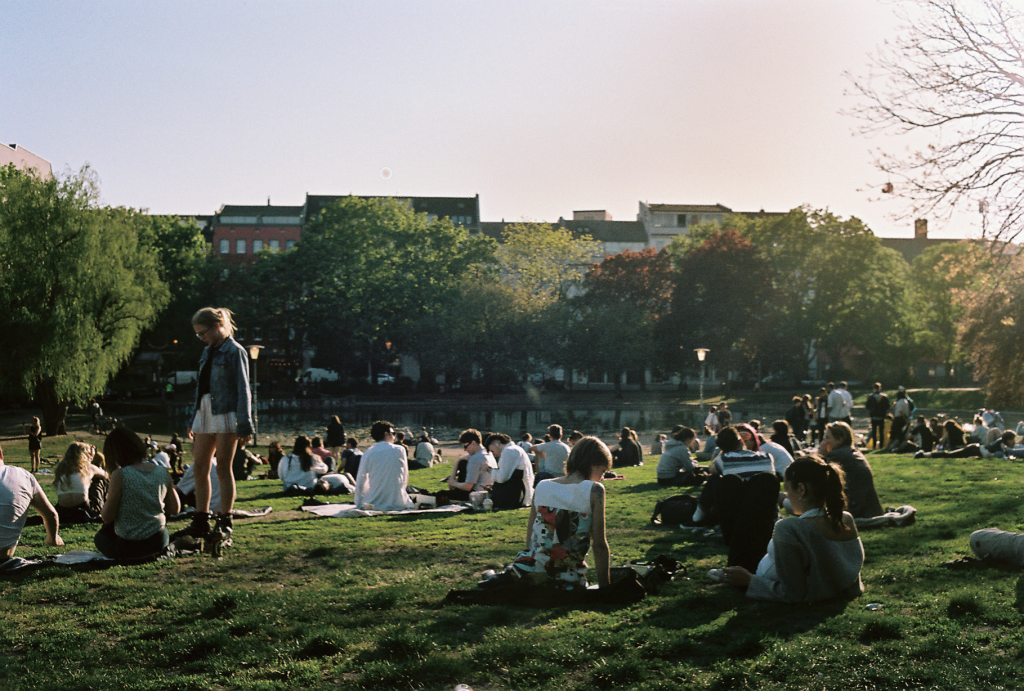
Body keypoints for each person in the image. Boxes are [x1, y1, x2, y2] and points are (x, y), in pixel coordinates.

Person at [720, 455, 865, 603]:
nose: (787, 495)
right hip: (775, 561)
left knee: (749, 487)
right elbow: (813, 513)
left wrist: (749, 580)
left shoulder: (789, 528)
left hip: (751, 569)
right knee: (762, 483)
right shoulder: (844, 519)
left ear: (801, 489)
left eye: (788, 490)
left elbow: (792, 593)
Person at [179, 307, 253, 542]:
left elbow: (244, 389)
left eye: (203, 333)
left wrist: (245, 424)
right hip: (205, 411)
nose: (201, 338)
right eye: (198, 334)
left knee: (223, 467)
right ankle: (201, 519)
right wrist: (193, 419)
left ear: (216, 327)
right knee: (199, 466)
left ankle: (225, 518)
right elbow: (200, 388)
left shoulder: (235, 351)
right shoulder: (206, 352)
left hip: (226, 413)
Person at [510, 437, 612, 588]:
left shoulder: (542, 486)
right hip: (568, 578)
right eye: (603, 471)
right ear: (593, 464)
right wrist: (605, 588)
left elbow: (531, 538)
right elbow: (599, 545)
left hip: (531, 572)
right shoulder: (593, 490)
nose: (602, 478)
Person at [95, 427, 180, 559]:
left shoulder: (120, 475)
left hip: (129, 546)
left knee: (100, 537)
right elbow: (175, 509)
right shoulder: (162, 472)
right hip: (159, 541)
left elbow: (107, 517)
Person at [0, 443, 63, 563]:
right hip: (3, 557)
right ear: (1, 454)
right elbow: (51, 515)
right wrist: (53, 539)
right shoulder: (23, 475)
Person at [819, 422, 884, 519]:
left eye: (827, 438)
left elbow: (816, 478)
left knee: (791, 503)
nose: (824, 441)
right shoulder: (850, 452)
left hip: (854, 510)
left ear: (839, 439)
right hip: (869, 509)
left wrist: (820, 454)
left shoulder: (837, 455)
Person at [355, 421, 414, 511]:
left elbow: (361, 479)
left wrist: (359, 501)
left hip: (374, 499)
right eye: (393, 433)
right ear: (386, 434)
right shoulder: (399, 449)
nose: (394, 436)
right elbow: (405, 476)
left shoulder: (368, 452)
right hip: (397, 500)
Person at [53, 442, 107, 524]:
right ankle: (106, 507)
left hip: (62, 509)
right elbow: (107, 475)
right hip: (84, 508)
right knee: (99, 479)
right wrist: (92, 458)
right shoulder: (89, 468)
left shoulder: (61, 469)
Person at [486, 433, 535, 510]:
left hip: (518, 497)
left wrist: (489, 469)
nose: (494, 454)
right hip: (522, 493)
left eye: (492, 451)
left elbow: (502, 478)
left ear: (496, 443)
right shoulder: (515, 449)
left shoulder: (509, 451)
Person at [446, 429, 496, 501]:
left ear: (473, 443)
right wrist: (458, 460)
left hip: (476, 495)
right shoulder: (488, 454)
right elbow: (463, 458)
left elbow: (467, 487)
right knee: (463, 462)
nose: (465, 450)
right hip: (488, 494)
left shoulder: (475, 459)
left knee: (441, 495)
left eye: (466, 446)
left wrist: (453, 483)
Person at [865, 383, 890, 450]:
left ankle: (874, 445)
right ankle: (881, 445)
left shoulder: (871, 397)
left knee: (874, 432)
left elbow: (867, 406)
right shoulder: (884, 397)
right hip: (882, 416)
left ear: (874, 388)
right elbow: (887, 406)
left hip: (873, 416)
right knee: (881, 432)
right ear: (880, 388)